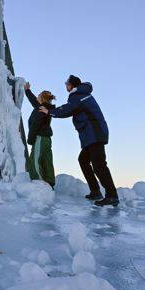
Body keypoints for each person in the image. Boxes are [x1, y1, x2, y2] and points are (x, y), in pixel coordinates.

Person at [40, 74, 118, 206]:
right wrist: (51, 109)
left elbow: (68, 109)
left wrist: (49, 111)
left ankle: (112, 195)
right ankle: (95, 191)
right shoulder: (79, 95)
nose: (65, 85)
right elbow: (69, 107)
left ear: (72, 85)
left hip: (95, 134)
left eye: (67, 83)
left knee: (99, 165)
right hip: (91, 135)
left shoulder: (79, 96)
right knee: (83, 160)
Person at [23, 81, 56, 186]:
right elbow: (34, 102)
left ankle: (39, 183)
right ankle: (49, 182)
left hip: (40, 138)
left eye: (38, 96)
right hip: (46, 139)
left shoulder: (40, 110)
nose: (37, 97)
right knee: (46, 160)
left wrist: (30, 139)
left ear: (42, 99)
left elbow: (35, 125)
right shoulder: (44, 108)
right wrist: (27, 90)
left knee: (35, 159)